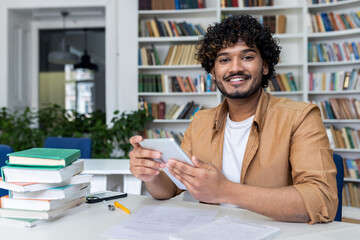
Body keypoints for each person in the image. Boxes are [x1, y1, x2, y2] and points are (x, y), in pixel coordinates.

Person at [129, 14, 338, 224]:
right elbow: (171, 188)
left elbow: (321, 199)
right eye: (224, 60)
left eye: (247, 57)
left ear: (264, 66)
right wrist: (151, 173)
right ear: (213, 71)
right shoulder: (200, 121)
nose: (235, 68)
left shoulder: (301, 117)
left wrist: (226, 191)